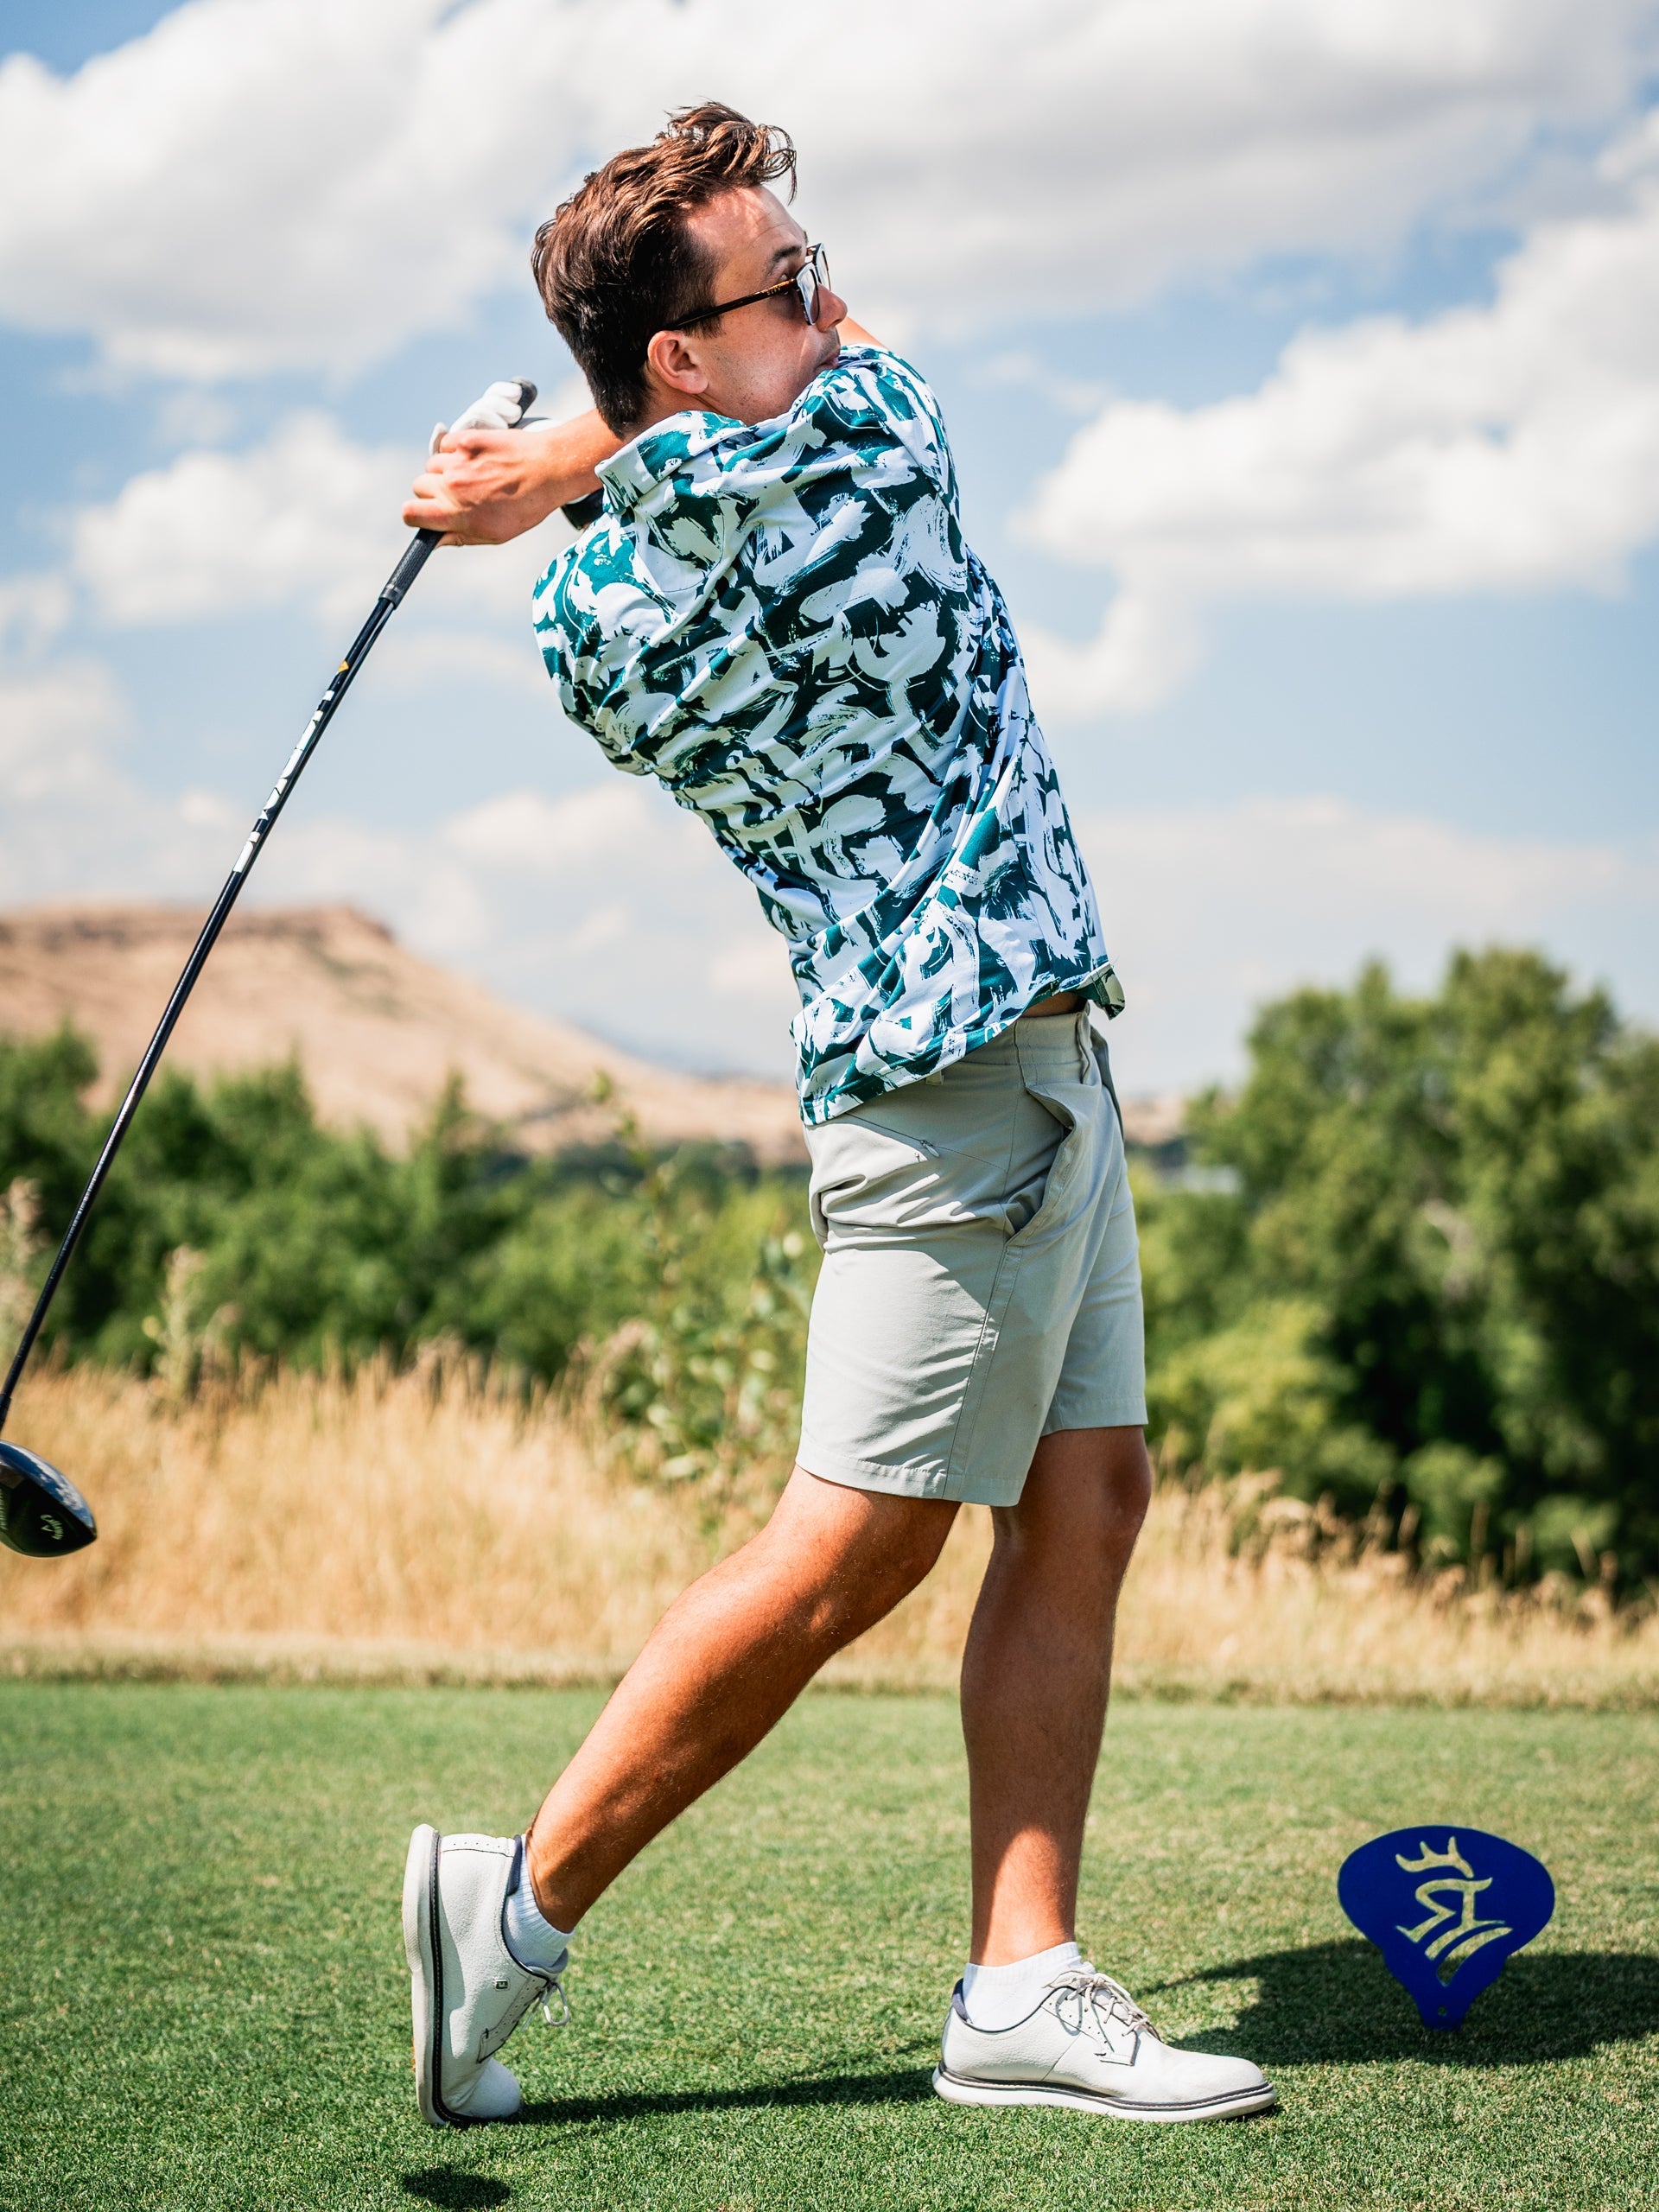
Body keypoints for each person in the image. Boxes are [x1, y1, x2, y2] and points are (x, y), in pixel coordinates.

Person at [399, 102, 1273, 2132]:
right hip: (963, 1093)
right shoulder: (876, 447)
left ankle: (1021, 1976)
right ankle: (514, 1905)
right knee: (847, 1549)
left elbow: (678, 472)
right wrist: (585, 454)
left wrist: (560, 469)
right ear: (681, 355)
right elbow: (847, 388)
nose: (830, 297)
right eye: (786, 279)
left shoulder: (582, 621)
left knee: (1089, 1490)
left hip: (1007, 1068)